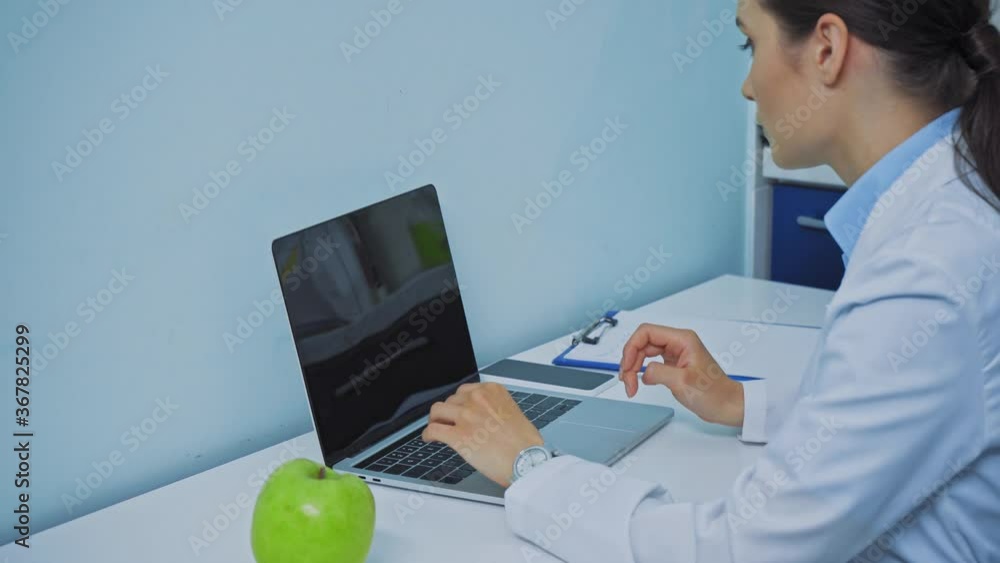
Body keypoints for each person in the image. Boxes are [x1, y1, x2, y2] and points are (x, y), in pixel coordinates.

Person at [422, 0, 1000, 560]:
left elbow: (738, 549)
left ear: (827, 47)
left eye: (752, 43)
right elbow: (888, 417)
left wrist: (530, 467)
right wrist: (738, 401)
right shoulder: (948, 213)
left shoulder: (928, 270)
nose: (748, 86)